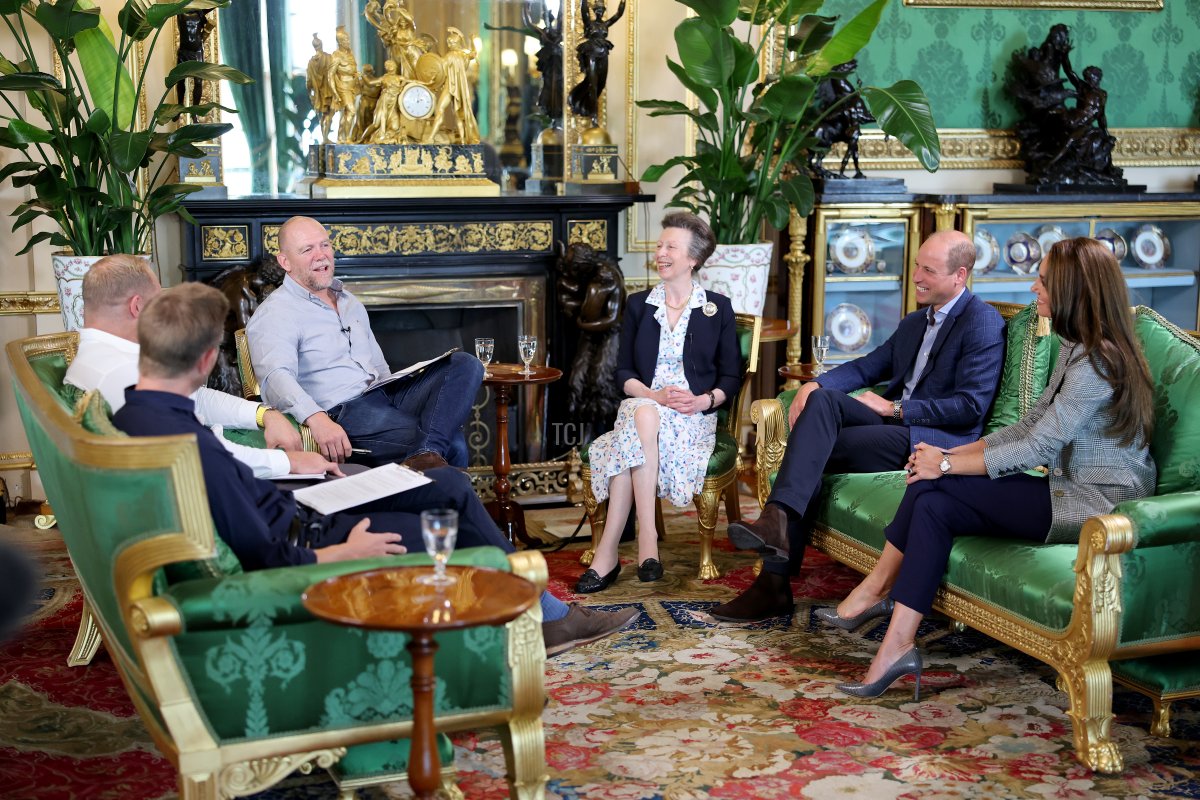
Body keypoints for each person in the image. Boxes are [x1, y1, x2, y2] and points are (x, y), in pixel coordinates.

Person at [113, 283, 638, 657]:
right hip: (314, 533)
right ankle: (542, 620)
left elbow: (240, 491)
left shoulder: (133, 414)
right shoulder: (186, 445)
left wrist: (302, 471)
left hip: (308, 499)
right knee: (447, 515)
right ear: (207, 362)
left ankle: (542, 616)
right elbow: (263, 553)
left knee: (447, 476)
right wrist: (343, 552)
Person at [827, 237, 1156, 699]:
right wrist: (949, 461)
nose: (1033, 288)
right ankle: (894, 640)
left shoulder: (1099, 360)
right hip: (1064, 484)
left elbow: (1040, 444)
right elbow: (1029, 424)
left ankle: (882, 608)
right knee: (929, 493)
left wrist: (945, 462)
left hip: (1096, 502)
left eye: (1043, 280)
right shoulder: (1075, 345)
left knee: (935, 490)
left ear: (1073, 291)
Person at [709, 230, 1006, 622]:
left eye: (928, 270)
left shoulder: (981, 323)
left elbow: (969, 407)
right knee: (823, 403)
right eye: (917, 264)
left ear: (960, 275)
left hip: (929, 439)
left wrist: (896, 408)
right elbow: (867, 366)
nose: (916, 275)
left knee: (808, 449)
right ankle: (776, 529)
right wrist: (814, 385)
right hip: (892, 420)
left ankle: (773, 581)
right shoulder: (917, 321)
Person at [574, 212, 741, 593]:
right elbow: (623, 374)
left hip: (690, 417)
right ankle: (646, 540)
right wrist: (652, 395)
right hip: (643, 406)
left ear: (693, 259)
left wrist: (703, 401)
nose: (660, 252)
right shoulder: (638, 305)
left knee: (631, 434)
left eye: (671, 247)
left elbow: (731, 377)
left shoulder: (718, 309)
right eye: (660, 244)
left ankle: (608, 554)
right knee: (642, 413)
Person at [246, 216, 484, 471]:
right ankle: (429, 458)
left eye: (325, 245)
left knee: (465, 363)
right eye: (307, 249)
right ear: (285, 262)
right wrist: (316, 419)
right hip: (343, 413)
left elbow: (378, 366)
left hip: (384, 394)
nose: (321, 255)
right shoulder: (276, 312)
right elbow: (275, 377)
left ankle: (427, 452)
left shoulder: (349, 302)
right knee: (454, 444)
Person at [62, 254, 320, 480]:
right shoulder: (120, 373)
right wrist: (287, 463)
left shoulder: (111, 358)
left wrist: (264, 414)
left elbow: (195, 399)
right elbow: (197, 453)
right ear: (138, 306)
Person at [568, 0, 626, 122]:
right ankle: (594, 116)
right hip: (591, 52)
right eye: (597, 9)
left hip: (603, 52)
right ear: (594, 10)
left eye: (602, 9)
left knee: (601, 83)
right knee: (592, 82)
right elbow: (584, 10)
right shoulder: (589, 23)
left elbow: (618, 14)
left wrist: (623, 2)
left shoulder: (606, 24)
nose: (600, 11)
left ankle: (587, 104)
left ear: (604, 11)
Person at [326, 26, 360, 144]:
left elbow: (352, 68)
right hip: (343, 87)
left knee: (346, 113)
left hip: (352, 86)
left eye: (348, 40)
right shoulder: (336, 56)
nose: (348, 42)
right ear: (340, 42)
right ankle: (347, 138)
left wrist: (356, 75)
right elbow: (330, 75)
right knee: (351, 111)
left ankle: (340, 137)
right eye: (345, 41)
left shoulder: (349, 53)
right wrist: (335, 93)